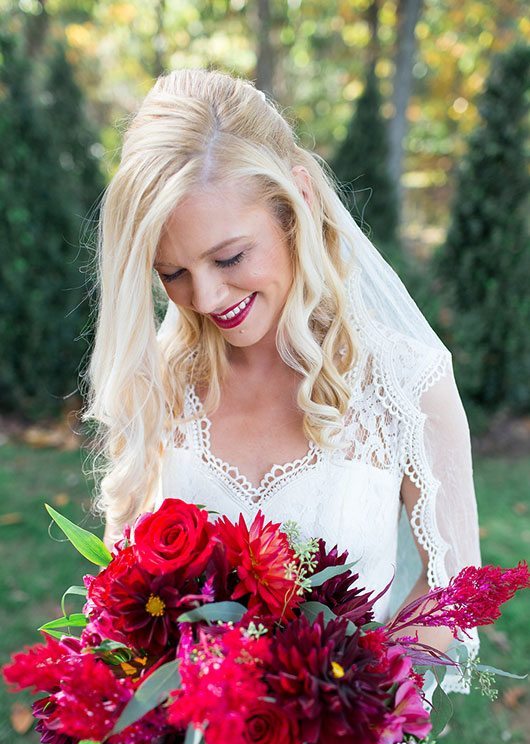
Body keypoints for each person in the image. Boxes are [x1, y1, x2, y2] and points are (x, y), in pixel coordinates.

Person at [83, 67, 481, 692]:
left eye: (229, 257)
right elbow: (121, 598)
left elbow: (455, 595)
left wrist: (350, 719)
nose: (207, 296)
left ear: (297, 203)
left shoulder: (408, 382)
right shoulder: (157, 382)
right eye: (172, 272)